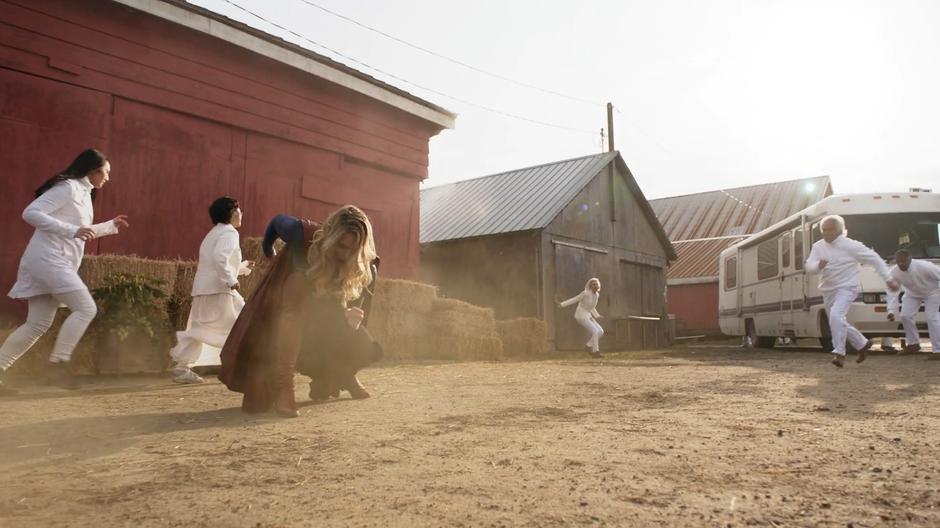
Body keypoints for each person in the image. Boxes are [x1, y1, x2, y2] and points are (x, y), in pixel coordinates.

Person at [218, 206, 380, 417]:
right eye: (341, 246)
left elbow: (353, 316)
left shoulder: (364, 266)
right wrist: (268, 249)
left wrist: (351, 323)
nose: (345, 254)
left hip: (324, 320)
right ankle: (284, 385)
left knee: (366, 347)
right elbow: (276, 221)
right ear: (330, 238)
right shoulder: (301, 233)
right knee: (298, 285)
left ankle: (344, 375)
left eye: (352, 249)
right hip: (291, 313)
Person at [0, 149, 129, 394]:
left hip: (52, 261)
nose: (108, 178)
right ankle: (58, 364)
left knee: (37, 324)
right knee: (86, 308)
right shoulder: (68, 188)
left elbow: (80, 230)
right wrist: (72, 231)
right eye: (106, 172)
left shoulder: (83, 193)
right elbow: (30, 213)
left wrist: (109, 226)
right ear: (93, 170)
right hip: (49, 260)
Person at [168, 197, 252, 384]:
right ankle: (246, 367)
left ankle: (182, 369)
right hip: (219, 290)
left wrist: (242, 268)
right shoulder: (230, 233)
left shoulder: (213, 233)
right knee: (244, 324)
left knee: (198, 329)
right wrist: (230, 280)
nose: (241, 213)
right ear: (233, 213)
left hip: (202, 289)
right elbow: (219, 258)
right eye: (239, 210)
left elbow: (215, 262)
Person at [805, 215, 899, 368]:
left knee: (836, 316)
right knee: (836, 321)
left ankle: (839, 353)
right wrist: (818, 266)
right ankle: (862, 343)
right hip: (828, 289)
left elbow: (875, 259)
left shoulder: (852, 246)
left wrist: (888, 278)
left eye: (830, 230)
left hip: (847, 287)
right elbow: (809, 267)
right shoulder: (818, 246)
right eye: (824, 230)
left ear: (840, 230)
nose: (826, 233)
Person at [886, 248, 940, 358]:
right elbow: (892, 292)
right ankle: (913, 344)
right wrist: (891, 310)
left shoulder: (924, 266)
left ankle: (938, 350)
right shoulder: (893, 272)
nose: (901, 264)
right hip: (912, 294)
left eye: (903, 261)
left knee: (932, 318)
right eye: (898, 262)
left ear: (910, 259)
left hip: (932, 292)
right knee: (905, 316)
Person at [559, 278, 605, 358]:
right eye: (593, 284)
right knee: (595, 331)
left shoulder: (597, 295)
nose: (595, 285)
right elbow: (575, 299)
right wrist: (562, 304)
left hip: (588, 315)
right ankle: (596, 352)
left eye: (596, 284)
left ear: (599, 286)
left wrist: (597, 315)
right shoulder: (585, 293)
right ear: (590, 286)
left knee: (600, 331)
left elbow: (591, 307)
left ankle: (588, 346)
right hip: (580, 316)